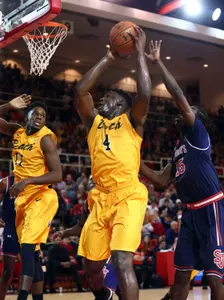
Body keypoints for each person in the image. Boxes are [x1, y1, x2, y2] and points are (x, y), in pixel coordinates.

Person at [141, 40, 224, 300]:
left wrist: (158, 63)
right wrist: (132, 158)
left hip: (210, 209)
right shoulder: (178, 149)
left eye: (190, 111)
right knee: (180, 277)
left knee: (212, 276)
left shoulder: (198, 134)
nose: (182, 112)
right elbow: (159, 182)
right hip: (189, 215)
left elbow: (178, 95)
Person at [74, 26, 151, 300]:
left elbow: (144, 95)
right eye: (102, 96)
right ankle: (104, 296)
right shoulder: (93, 123)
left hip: (128, 195)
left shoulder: (132, 121)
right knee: (91, 267)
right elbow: (81, 90)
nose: (102, 98)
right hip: (100, 197)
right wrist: (109, 58)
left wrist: (140, 53)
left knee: (121, 260)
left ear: (121, 106)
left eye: (109, 97)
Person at [0, 95, 62, 300]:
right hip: (23, 200)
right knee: (32, 254)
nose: (39, 117)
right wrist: (8, 106)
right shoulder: (17, 131)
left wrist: (27, 181)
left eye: (43, 115)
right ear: (27, 115)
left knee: (26, 246)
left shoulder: (45, 139)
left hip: (42, 195)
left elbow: (57, 174)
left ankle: (21, 297)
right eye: (35, 113)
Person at [0, 175, 19, 300]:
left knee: (33, 269)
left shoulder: (36, 181)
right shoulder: (8, 182)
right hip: (10, 228)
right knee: (7, 272)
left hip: (28, 229)